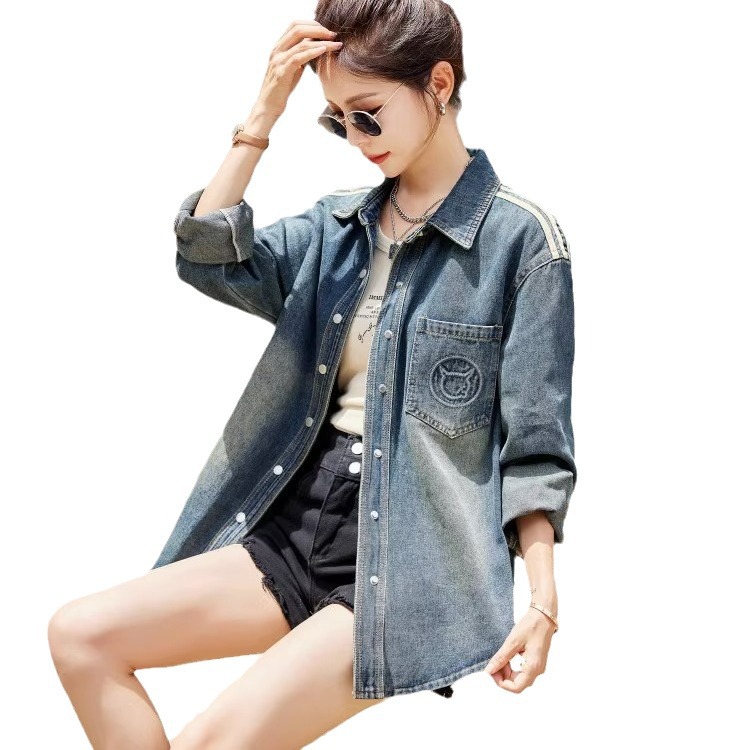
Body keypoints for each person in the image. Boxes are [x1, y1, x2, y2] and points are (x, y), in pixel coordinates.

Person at [48, 1, 577, 747]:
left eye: (368, 115)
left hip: (407, 562)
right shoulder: (336, 229)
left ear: (438, 83)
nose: (356, 139)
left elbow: (535, 448)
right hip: (295, 521)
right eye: (337, 120)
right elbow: (209, 258)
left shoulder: (522, 243)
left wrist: (543, 600)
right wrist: (262, 114)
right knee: (80, 637)